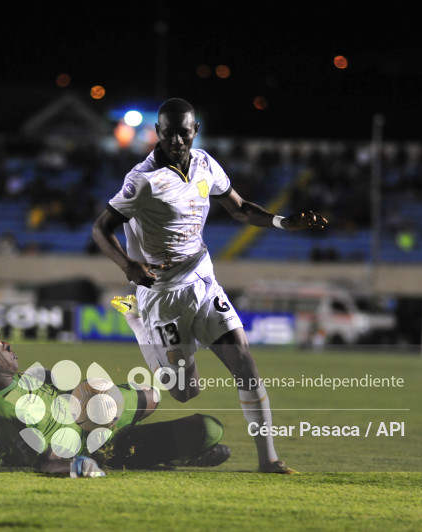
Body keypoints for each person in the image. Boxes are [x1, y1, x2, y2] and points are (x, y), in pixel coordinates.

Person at [92, 98, 327, 473]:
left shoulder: (205, 164)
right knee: (186, 392)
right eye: (169, 134)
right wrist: (129, 266)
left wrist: (283, 223)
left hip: (202, 279)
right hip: (161, 294)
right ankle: (137, 320)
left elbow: (238, 208)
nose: (177, 141)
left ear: (195, 131)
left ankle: (269, 460)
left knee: (244, 361)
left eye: (184, 133)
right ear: (158, 133)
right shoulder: (142, 180)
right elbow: (100, 228)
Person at [0, 322, 230, 477]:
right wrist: (82, 467)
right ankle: (172, 458)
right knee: (208, 429)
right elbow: (46, 463)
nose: (8, 345)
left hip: (79, 410)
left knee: (150, 395)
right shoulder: (3, 411)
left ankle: (159, 448)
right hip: (97, 444)